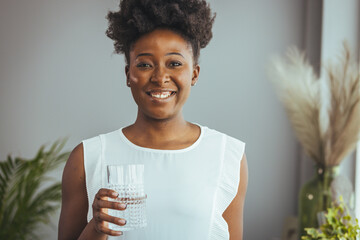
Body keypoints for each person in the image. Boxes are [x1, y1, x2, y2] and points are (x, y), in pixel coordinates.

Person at [58, 0, 248, 239]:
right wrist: (96, 227)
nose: (160, 77)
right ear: (128, 74)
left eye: (175, 64)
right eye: (145, 64)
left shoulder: (226, 155)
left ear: (194, 74)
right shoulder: (87, 157)